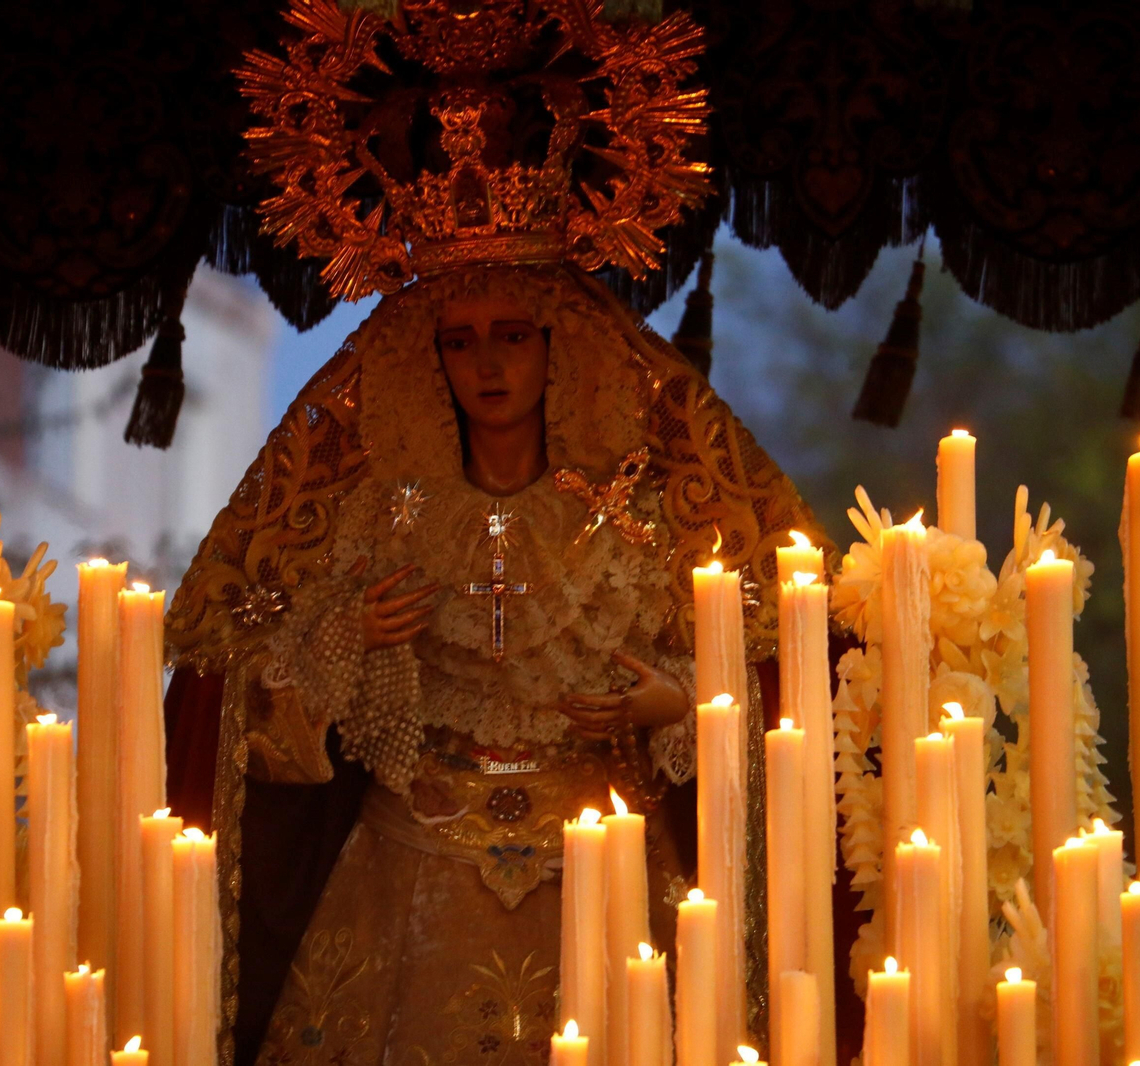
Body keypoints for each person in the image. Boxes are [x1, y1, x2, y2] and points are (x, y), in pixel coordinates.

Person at [160, 3, 827, 1063]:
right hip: (407, 868)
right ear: (429, 360)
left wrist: (678, 705)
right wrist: (347, 645)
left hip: (600, 870)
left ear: (560, 348)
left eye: (513, 335)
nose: (488, 364)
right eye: (461, 340)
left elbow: (771, 682)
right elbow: (249, 694)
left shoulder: (633, 514)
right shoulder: (379, 516)